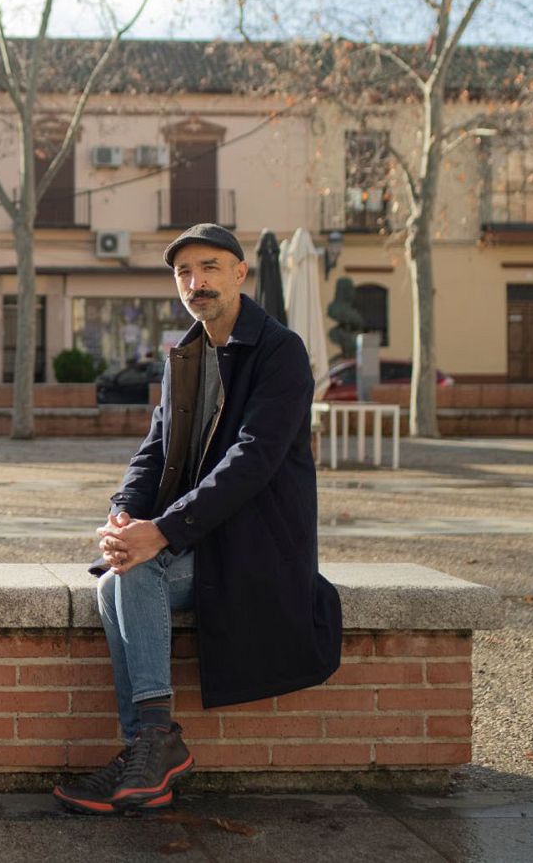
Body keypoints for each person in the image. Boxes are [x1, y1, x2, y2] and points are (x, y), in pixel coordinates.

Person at [54, 223, 342, 815]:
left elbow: (252, 459)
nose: (196, 282)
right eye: (184, 273)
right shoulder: (185, 354)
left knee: (134, 573)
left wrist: (160, 532)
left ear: (240, 273)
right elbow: (155, 449)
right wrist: (124, 515)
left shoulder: (279, 350)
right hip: (205, 540)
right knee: (115, 577)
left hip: (257, 549)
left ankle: (151, 742)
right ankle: (151, 748)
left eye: (210, 268)